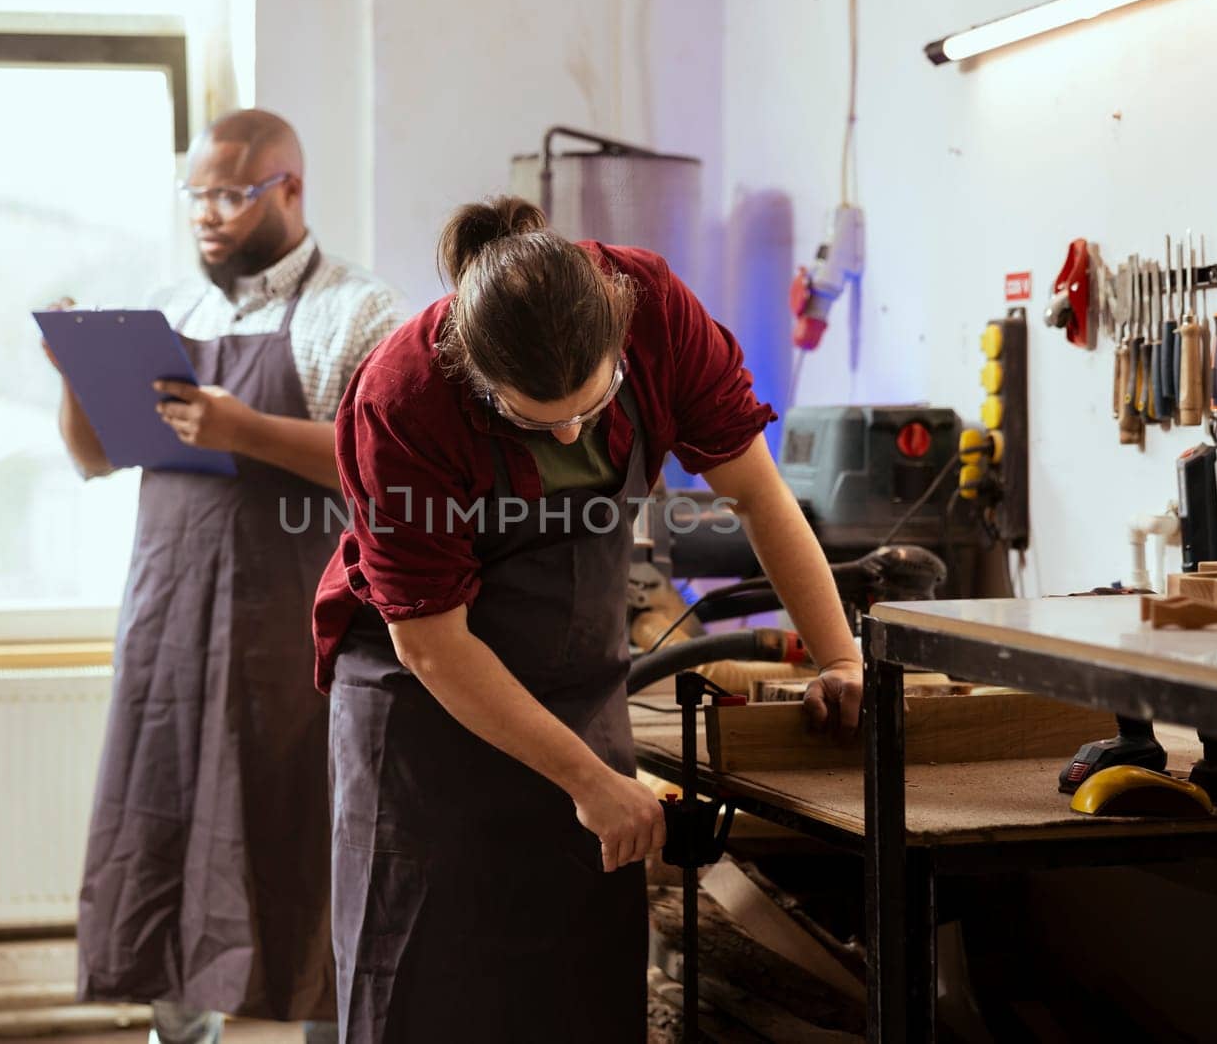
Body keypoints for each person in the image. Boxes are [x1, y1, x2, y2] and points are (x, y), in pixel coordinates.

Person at [311, 196, 865, 1041]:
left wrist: (842, 658)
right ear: (471, 369)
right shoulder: (402, 396)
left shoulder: (657, 313)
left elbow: (757, 494)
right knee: (424, 987)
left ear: (619, 334)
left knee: (580, 984)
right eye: (539, 421)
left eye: (591, 405)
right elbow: (431, 644)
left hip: (575, 684)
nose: (572, 430)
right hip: (425, 712)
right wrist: (590, 781)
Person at [54, 109, 404, 1044]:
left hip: (297, 636)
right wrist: (72, 377)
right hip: (170, 626)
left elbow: (385, 465)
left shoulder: (359, 312)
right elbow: (96, 459)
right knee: (164, 830)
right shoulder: (175, 310)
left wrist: (241, 428)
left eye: (230, 195)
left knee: (307, 841)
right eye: (196, 195)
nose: (207, 215)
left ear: (289, 187)